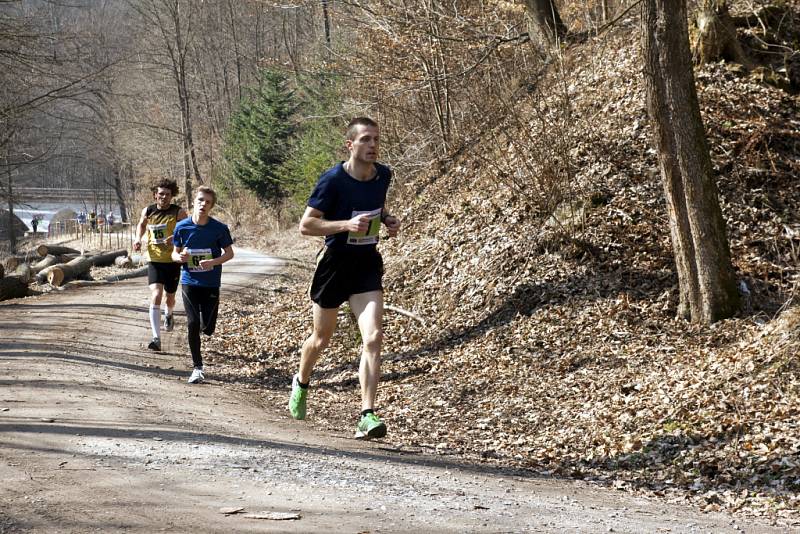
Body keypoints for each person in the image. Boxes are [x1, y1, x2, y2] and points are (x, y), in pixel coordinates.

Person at [288, 117, 401, 440]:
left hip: (366, 264)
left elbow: (377, 209)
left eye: (376, 139)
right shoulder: (333, 180)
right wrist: (344, 226)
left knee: (374, 337)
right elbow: (306, 225)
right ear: (350, 145)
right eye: (365, 139)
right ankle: (302, 380)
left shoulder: (383, 175)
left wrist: (388, 220)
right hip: (334, 265)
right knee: (321, 338)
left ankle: (366, 414)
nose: (372, 146)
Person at [171, 186, 234, 384]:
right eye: (200, 200)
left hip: (211, 282)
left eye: (207, 202)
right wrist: (179, 257)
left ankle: (204, 328)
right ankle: (197, 367)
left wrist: (212, 263)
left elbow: (229, 253)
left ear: (211, 206)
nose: (203, 204)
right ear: (193, 202)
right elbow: (174, 253)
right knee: (192, 323)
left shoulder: (219, 229)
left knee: (208, 328)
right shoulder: (182, 227)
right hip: (189, 281)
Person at [134, 179, 188, 352]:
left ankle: (169, 313)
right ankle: (156, 338)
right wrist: (137, 239)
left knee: (169, 298)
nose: (164, 197)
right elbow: (141, 225)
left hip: (172, 260)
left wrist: (175, 238)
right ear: (155, 195)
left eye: (167, 194)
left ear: (172, 196)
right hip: (155, 259)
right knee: (156, 294)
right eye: (161, 194)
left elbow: (187, 232)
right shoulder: (148, 210)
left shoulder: (178, 212)